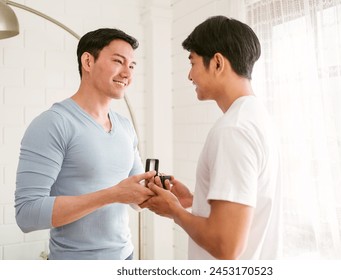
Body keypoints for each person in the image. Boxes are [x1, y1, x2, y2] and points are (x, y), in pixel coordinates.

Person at [142, 16, 282, 260]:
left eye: (193, 63)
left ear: (217, 63)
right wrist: (194, 202)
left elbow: (226, 245)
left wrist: (175, 211)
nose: (189, 76)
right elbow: (249, 205)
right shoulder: (258, 117)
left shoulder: (233, 130)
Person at [14, 28, 156, 260]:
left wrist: (157, 191)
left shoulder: (125, 126)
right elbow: (26, 215)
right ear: (88, 61)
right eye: (118, 62)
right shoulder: (53, 124)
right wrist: (112, 194)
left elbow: (136, 199)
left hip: (126, 257)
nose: (127, 74)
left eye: (131, 66)